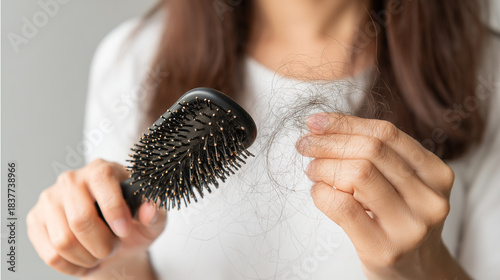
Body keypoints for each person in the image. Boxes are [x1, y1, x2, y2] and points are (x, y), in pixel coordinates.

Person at [27, 0, 500, 279]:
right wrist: (118, 256)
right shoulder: (134, 58)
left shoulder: (488, 76)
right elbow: (123, 262)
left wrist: (426, 268)